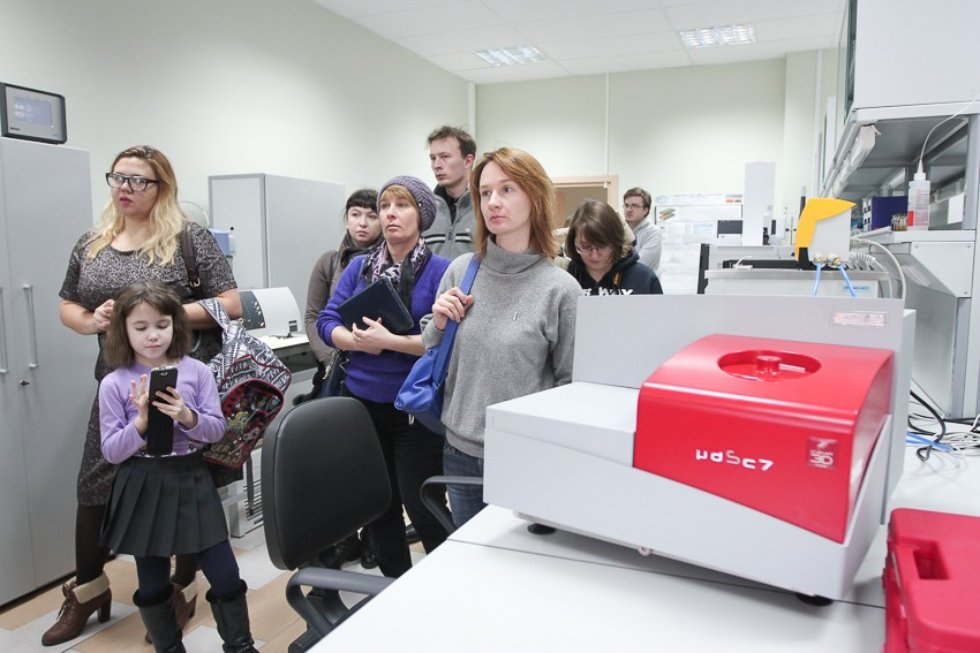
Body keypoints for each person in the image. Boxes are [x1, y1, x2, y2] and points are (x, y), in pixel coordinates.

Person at [50, 145, 240, 646]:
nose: (125, 188)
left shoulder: (187, 238)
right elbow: (67, 304)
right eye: (118, 178)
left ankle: (182, 585)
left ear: (162, 187)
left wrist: (153, 314)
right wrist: (92, 320)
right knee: (95, 485)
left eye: (139, 180)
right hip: (117, 380)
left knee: (183, 482)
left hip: (179, 377)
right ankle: (89, 589)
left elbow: (230, 303)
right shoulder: (93, 243)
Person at [424, 147, 581, 528]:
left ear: (535, 197)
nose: (493, 202)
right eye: (485, 192)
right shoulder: (460, 272)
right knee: (470, 556)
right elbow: (431, 346)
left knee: (522, 558)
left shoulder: (560, 289)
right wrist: (439, 322)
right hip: (459, 451)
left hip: (525, 455)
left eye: (507, 189)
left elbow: (571, 385)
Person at [98, 281, 256, 653]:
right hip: (142, 480)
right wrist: (141, 423)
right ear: (123, 330)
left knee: (224, 570)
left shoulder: (196, 371)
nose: (153, 335)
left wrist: (186, 415)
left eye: (162, 325)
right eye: (141, 327)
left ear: (175, 325)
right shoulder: (113, 383)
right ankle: (168, 648)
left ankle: (241, 646)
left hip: (190, 475)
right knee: (152, 578)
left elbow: (215, 430)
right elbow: (111, 452)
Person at [317, 175, 451, 577]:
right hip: (361, 402)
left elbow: (444, 342)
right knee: (378, 503)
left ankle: (450, 583)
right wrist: (355, 342)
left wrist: (389, 341)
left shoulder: (442, 271)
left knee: (421, 502)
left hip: (414, 408)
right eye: (385, 206)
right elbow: (326, 320)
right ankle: (394, 583)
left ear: (421, 215)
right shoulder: (360, 267)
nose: (390, 214)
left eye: (402, 205)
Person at [300, 188, 382, 570]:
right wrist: (330, 355)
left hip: (375, 371)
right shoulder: (329, 262)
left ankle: (375, 537)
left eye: (371, 215)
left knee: (375, 458)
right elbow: (314, 316)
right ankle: (345, 537)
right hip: (335, 371)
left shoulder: (389, 261)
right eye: (355, 214)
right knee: (339, 459)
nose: (362, 223)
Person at [564, 199, 664, 295]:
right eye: (585, 246)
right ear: (574, 242)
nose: (594, 256)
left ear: (616, 242)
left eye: (602, 246)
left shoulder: (645, 279)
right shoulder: (565, 278)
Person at [422, 125, 477, 259]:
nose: (437, 165)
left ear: (468, 161)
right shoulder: (425, 211)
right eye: (433, 158)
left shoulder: (486, 208)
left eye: (445, 156)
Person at [622, 187, 663, 273]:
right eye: (626, 205)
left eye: (634, 206)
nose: (629, 210)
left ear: (645, 210)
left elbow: (640, 264)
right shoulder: (619, 230)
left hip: (642, 280)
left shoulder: (653, 232)